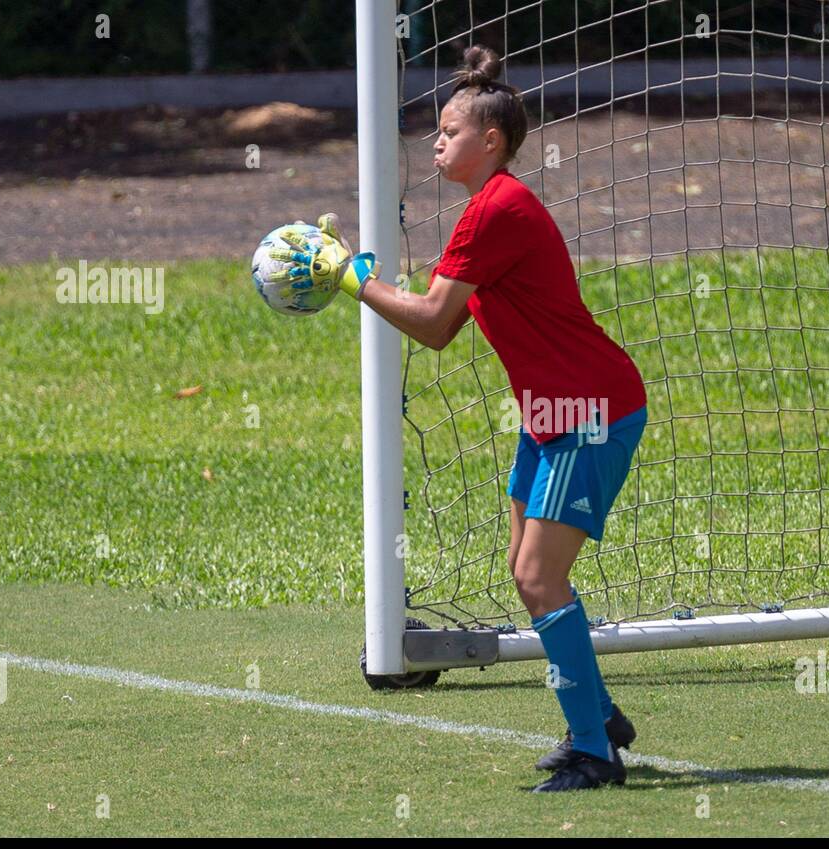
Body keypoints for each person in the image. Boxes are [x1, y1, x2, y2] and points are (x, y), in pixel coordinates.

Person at [270, 45, 647, 793]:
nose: (436, 141)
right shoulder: (486, 212)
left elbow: (436, 323)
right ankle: (600, 717)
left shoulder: (498, 207)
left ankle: (594, 754)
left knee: (541, 576)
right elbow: (435, 309)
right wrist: (364, 275)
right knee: (525, 570)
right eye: (436, 131)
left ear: (491, 142)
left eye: (448, 130)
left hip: (590, 409)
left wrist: (351, 278)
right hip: (551, 413)